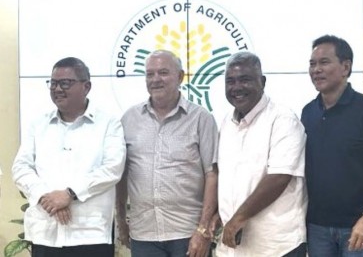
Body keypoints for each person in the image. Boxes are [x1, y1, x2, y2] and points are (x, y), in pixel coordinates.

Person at [12, 57, 126, 257]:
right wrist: (47, 198)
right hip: (46, 233)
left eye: (65, 83)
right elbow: (21, 167)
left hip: (90, 234)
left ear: (86, 86)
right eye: (53, 83)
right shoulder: (38, 125)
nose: (57, 89)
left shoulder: (108, 123)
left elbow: (112, 168)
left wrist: (69, 194)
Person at [301, 35, 363, 256]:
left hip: (358, 227)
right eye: (312, 64)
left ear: (346, 67)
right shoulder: (308, 113)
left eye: (324, 62)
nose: (316, 69)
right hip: (317, 228)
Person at [116, 50, 219, 257]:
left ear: (180, 77)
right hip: (144, 234)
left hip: (188, 233)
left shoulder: (201, 119)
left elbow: (212, 174)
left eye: (163, 73)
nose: (155, 79)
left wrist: (203, 229)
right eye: (149, 74)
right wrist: (121, 221)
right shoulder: (129, 119)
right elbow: (122, 174)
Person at [213, 51, 307, 256]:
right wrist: (217, 215)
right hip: (234, 247)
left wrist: (238, 218)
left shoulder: (283, 120)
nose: (236, 87)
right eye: (230, 81)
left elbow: (279, 177)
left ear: (262, 82)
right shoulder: (226, 123)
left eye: (245, 79)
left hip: (276, 246)